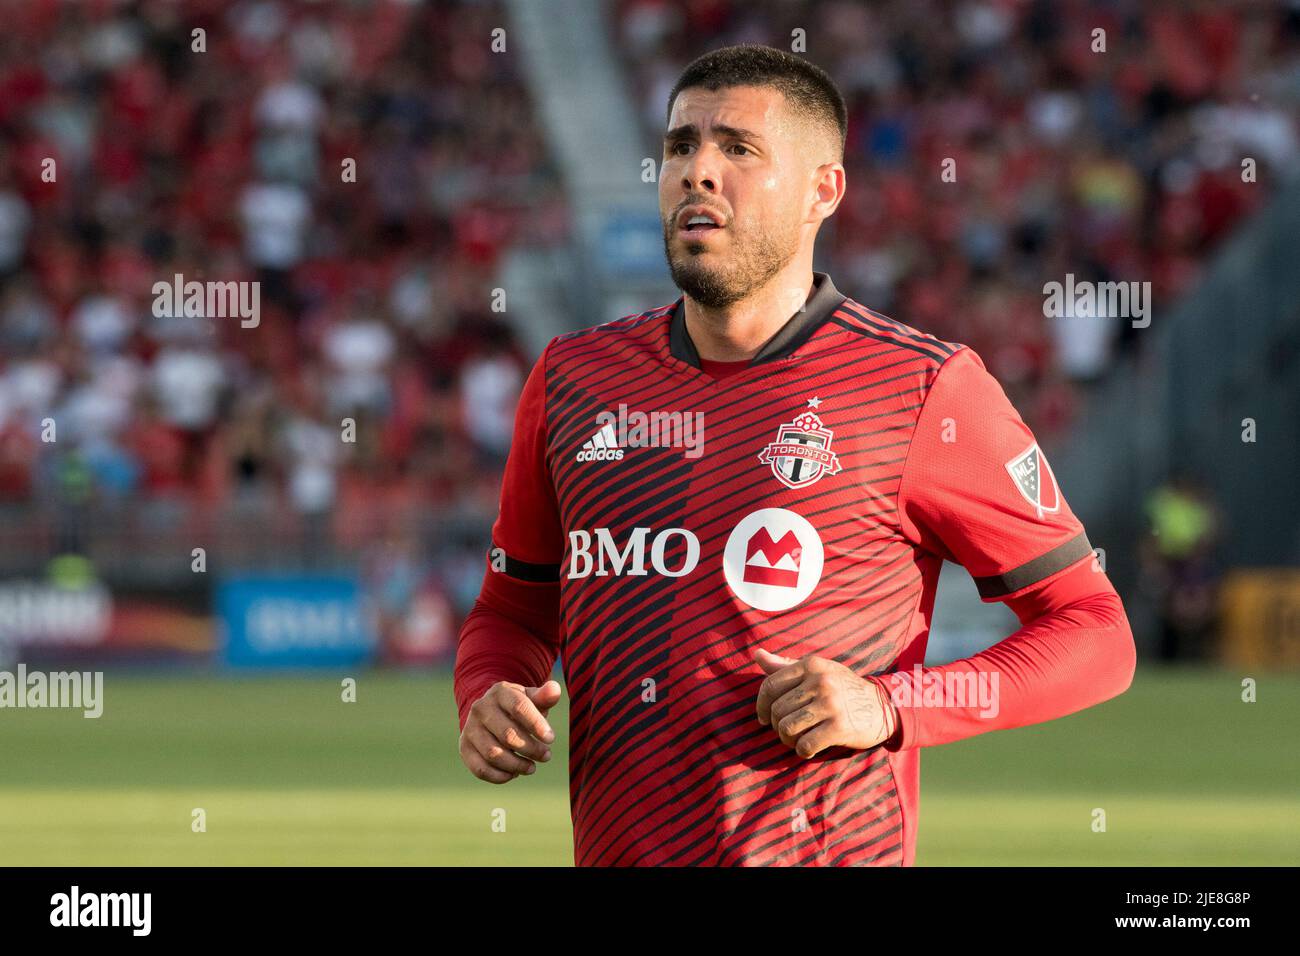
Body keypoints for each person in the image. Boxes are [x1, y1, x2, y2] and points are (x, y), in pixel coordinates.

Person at [454, 44, 1135, 866]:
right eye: (680, 147)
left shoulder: (923, 390)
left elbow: (1096, 634)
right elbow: (513, 613)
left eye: (738, 148)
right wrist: (485, 695)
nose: (697, 172)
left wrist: (890, 705)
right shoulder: (573, 379)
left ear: (824, 190)